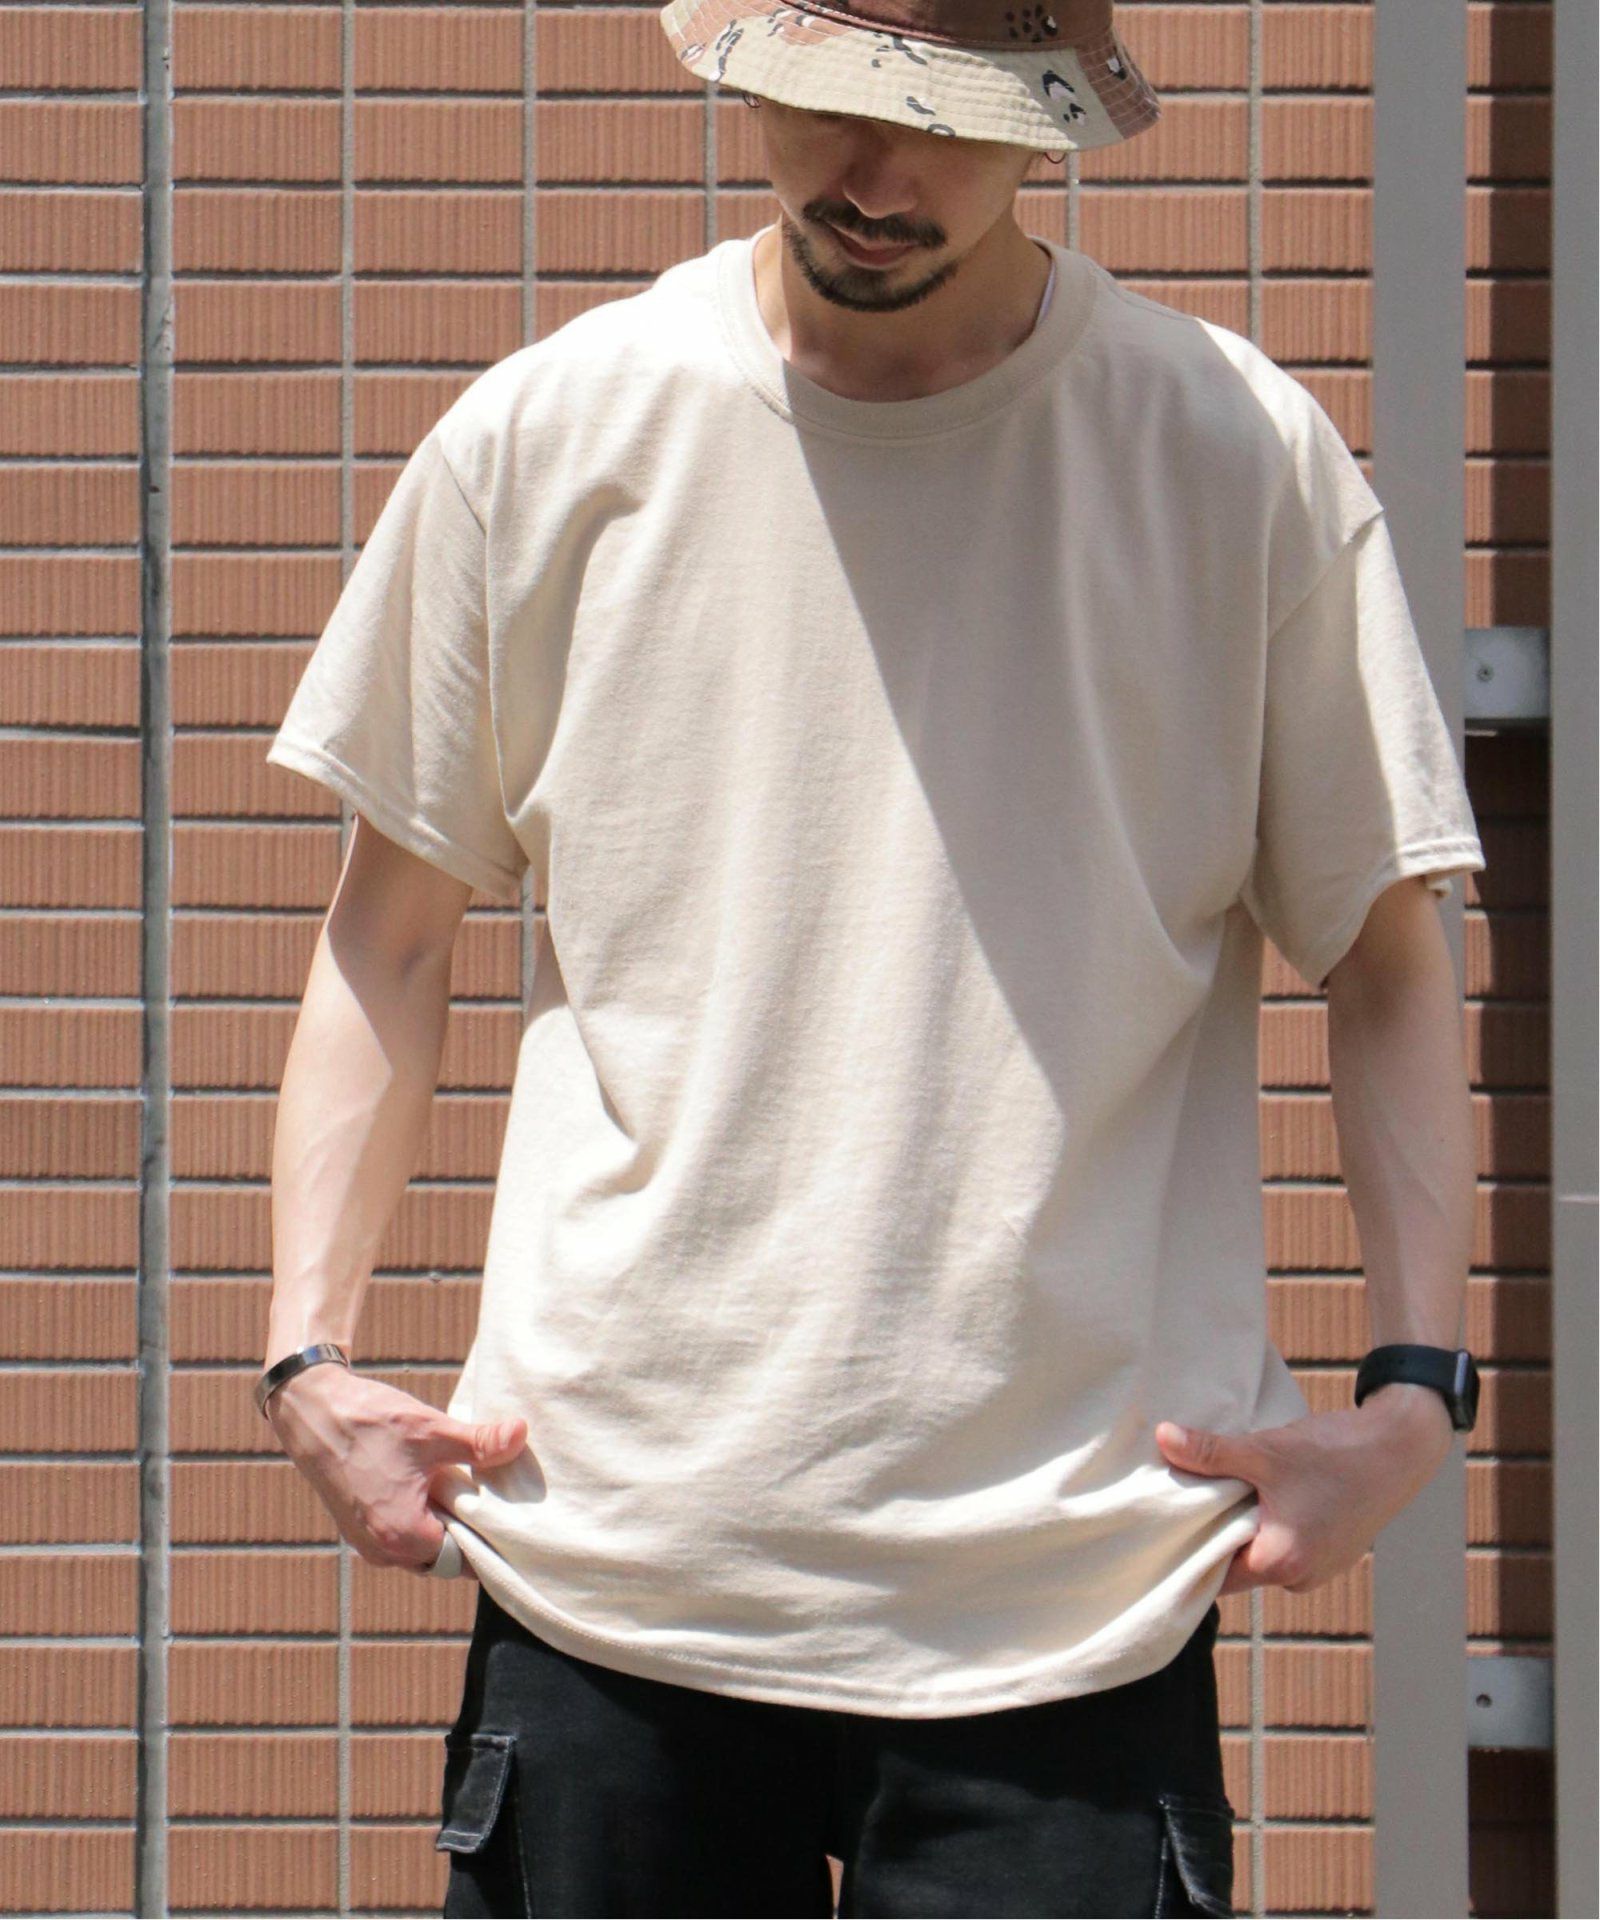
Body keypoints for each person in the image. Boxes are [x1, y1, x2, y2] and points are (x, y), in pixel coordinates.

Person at [257, 1, 1488, 1912]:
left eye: (952, 122)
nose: (879, 172)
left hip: (1069, 1588)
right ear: (748, 76)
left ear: (1051, 121)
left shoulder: (1230, 452)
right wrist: (307, 1356)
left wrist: (1415, 1390)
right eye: (827, 104)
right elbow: (387, 936)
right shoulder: (558, 430)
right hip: (618, 1561)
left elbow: (1389, 954)